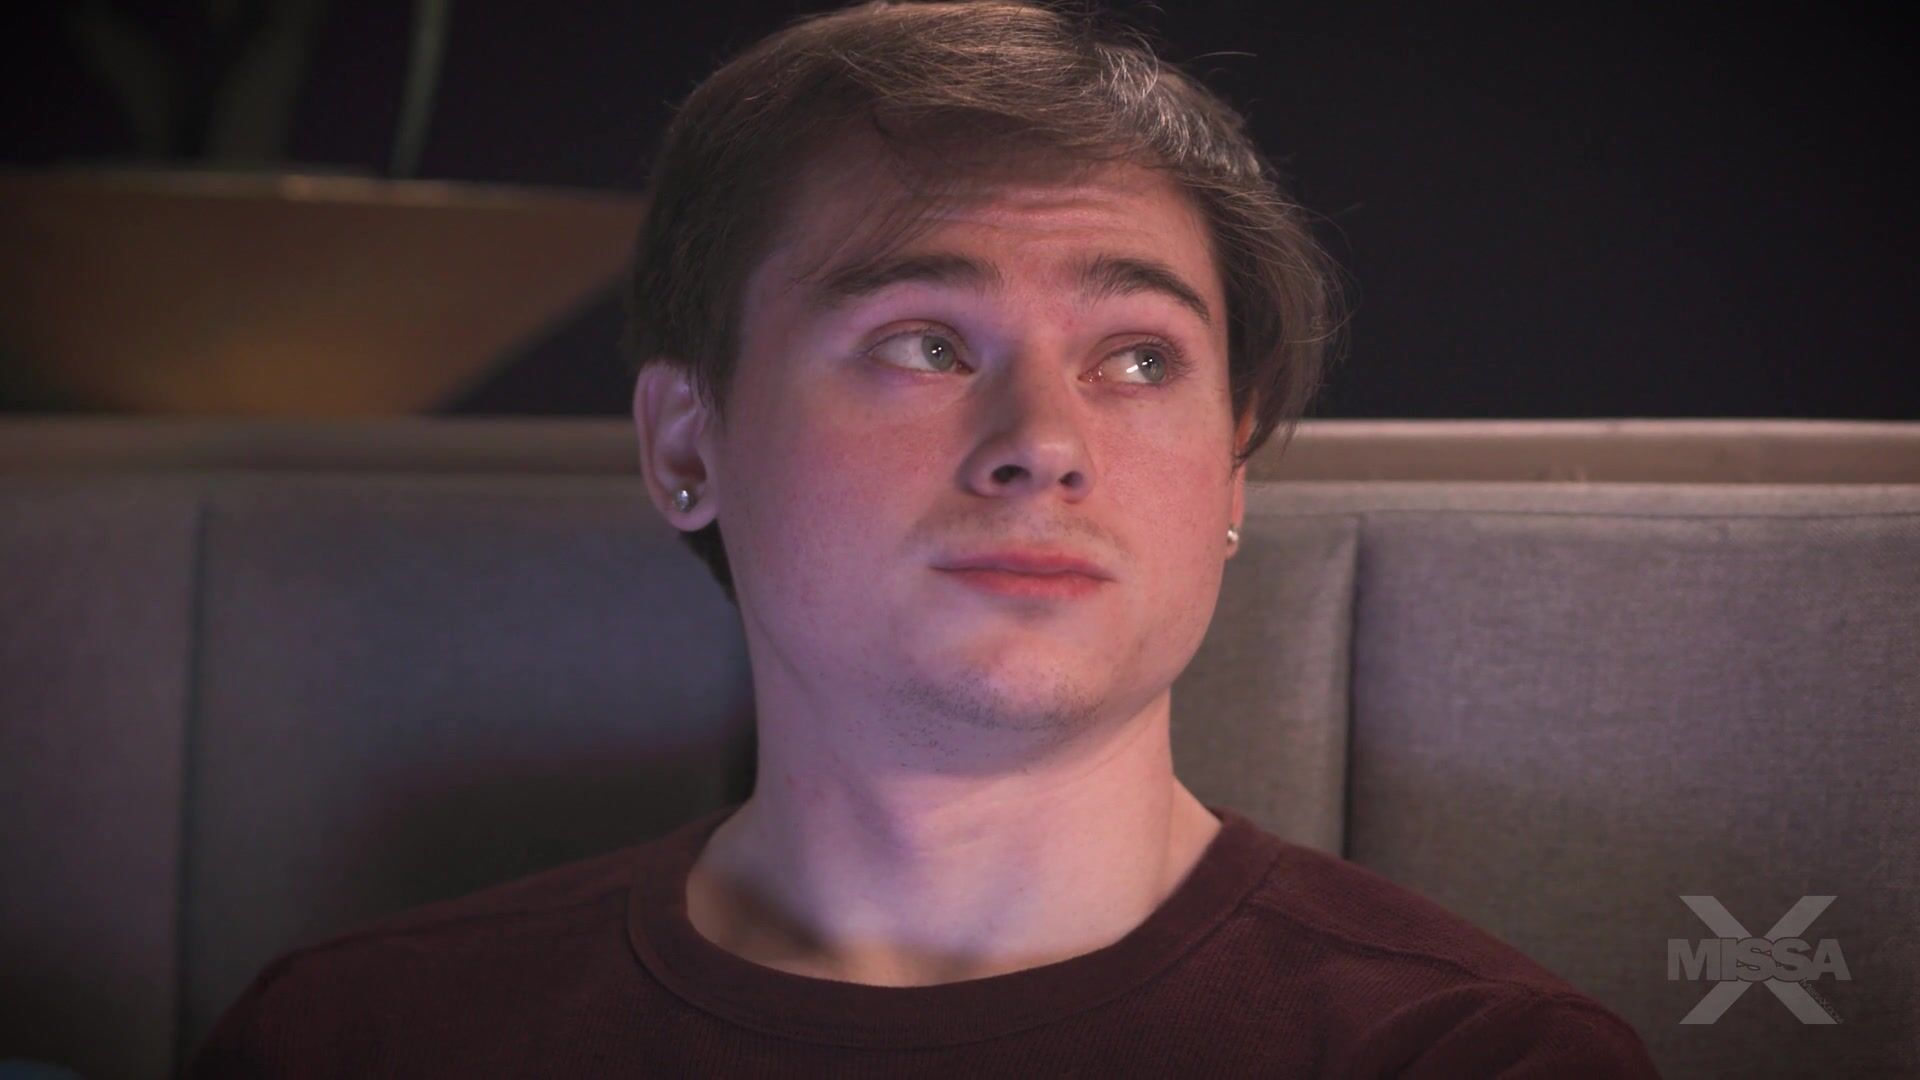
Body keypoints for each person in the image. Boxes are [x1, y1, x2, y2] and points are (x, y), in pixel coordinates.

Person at [188, 1, 1662, 1075]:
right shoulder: (357, 1042)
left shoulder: (1473, 1060)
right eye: (924, 343)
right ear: (688, 442)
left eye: (1138, 356)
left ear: (1232, 469)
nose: (1045, 442)